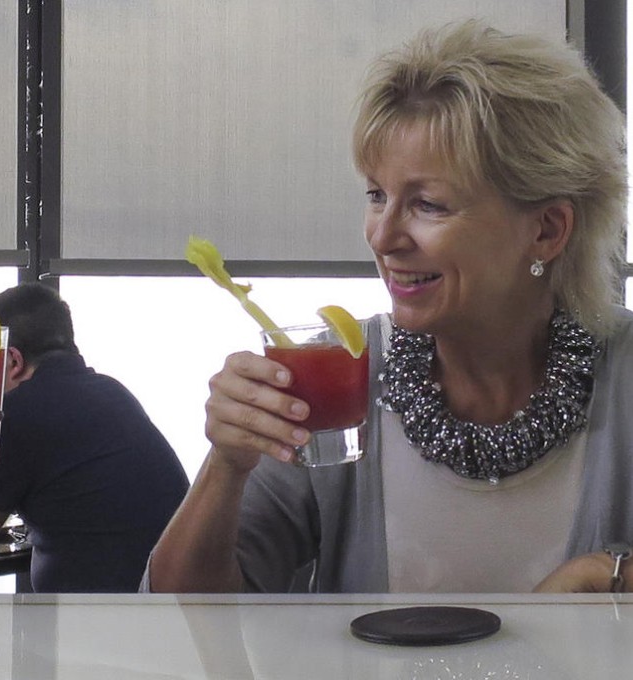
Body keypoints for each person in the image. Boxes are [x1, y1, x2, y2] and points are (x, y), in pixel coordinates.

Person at [147, 19, 632, 594]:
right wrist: (227, 464)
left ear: (547, 231)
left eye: (428, 204)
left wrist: (614, 574)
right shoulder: (332, 375)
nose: (382, 236)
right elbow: (179, 614)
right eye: (376, 195)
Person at [0, 283, 190, 592]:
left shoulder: (20, 412)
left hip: (105, 615)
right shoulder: (111, 390)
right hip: (165, 598)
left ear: (13, 361)